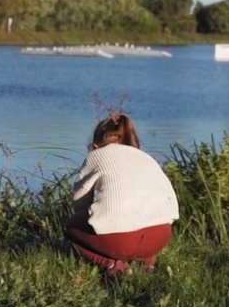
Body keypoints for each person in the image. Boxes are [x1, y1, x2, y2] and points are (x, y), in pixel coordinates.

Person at [65, 113, 179, 278]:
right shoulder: (146, 158)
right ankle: (147, 260)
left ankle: (112, 264)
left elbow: (79, 200)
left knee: (70, 227)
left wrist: (88, 214)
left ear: (96, 145)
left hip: (121, 240)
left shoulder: (97, 155)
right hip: (160, 236)